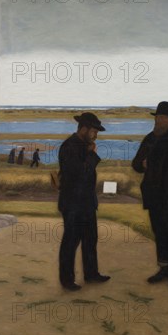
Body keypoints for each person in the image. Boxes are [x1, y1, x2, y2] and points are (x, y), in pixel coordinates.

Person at [132, 101, 168, 284]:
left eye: (163, 118)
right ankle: (163, 268)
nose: (159, 120)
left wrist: (152, 164)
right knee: (159, 232)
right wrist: (142, 164)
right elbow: (136, 164)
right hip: (154, 195)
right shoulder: (150, 138)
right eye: (157, 117)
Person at [58, 112, 110, 291]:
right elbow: (80, 173)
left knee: (90, 239)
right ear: (84, 129)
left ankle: (91, 274)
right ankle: (67, 280)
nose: (95, 135)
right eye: (94, 131)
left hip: (87, 203)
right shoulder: (69, 147)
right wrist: (92, 155)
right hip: (73, 204)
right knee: (71, 242)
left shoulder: (83, 146)